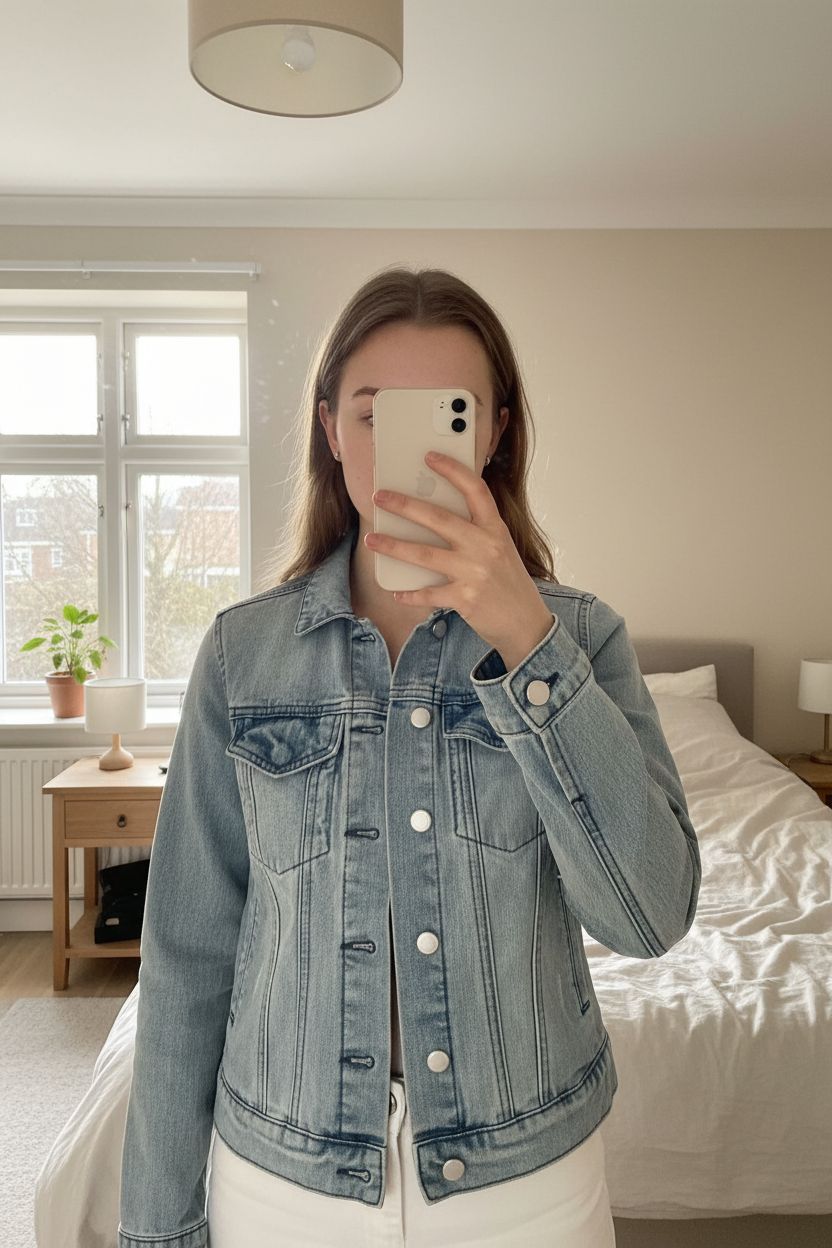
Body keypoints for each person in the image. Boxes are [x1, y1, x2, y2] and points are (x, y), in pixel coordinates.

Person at [118, 266, 701, 1248]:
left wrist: (524, 640)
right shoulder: (240, 656)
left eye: (448, 414)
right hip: (281, 1180)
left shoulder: (581, 641)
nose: (410, 451)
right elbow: (186, 955)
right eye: (375, 413)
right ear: (331, 429)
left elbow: (649, 917)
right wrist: (156, 1226)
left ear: (495, 431)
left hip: (527, 1185)